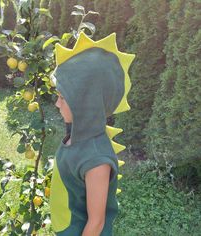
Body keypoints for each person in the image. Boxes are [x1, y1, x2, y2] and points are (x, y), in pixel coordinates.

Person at [49, 32, 135, 236]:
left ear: (84, 102)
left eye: (62, 97)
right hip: (66, 226)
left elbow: (96, 223)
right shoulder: (77, 133)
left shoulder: (96, 161)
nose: (56, 103)